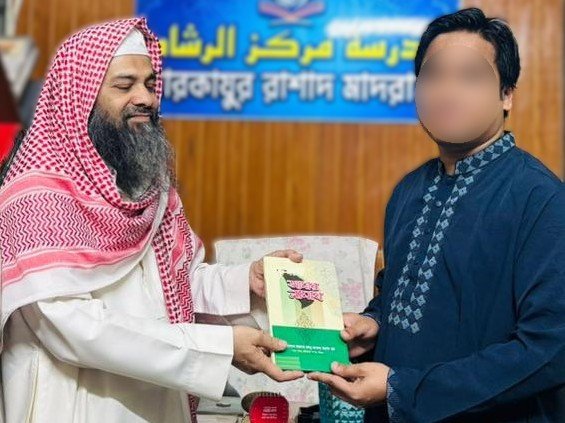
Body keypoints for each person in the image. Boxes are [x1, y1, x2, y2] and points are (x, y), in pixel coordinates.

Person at [0, 18, 303, 423]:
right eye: (124, 86)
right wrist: (217, 347)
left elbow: (177, 283)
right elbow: (72, 327)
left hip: (159, 401)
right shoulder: (37, 197)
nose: (145, 98)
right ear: (80, 98)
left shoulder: (148, 188)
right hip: (75, 403)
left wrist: (245, 280)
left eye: (149, 83)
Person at [309, 8, 565, 422]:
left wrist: (401, 389)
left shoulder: (542, 199)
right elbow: (402, 291)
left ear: (506, 95)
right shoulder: (409, 189)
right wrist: (375, 323)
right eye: (433, 76)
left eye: (470, 77)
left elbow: (550, 350)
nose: (447, 92)